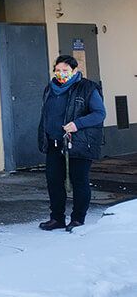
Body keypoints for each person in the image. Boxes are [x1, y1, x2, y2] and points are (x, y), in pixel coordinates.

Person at [37, 55, 106, 231]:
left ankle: (77, 219)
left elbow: (99, 113)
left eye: (65, 70)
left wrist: (77, 124)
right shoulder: (50, 89)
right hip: (54, 143)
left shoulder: (87, 88)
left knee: (79, 181)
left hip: (79, 143)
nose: (61, 74)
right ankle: (57, 218)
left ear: (74, 71)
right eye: (58, 70)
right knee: (54, 181)